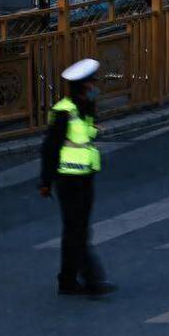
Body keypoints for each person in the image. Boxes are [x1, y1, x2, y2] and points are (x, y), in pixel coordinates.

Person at [38, 59, 116, 296]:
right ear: (82, 85)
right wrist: (45, 181)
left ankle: (67, 280)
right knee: (77, 231)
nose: (95, 85)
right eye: (92, 82)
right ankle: (93, 281)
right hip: (68, 179)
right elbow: (50, 148)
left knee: (77, 230)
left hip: (85, 177)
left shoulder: (86, 106)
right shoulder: (64, 111)